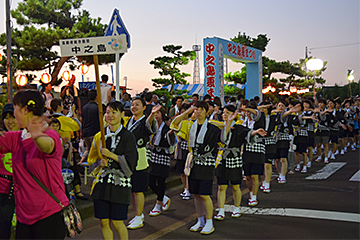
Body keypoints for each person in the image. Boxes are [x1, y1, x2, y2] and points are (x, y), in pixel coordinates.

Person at [0, 90, 68, 239]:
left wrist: (37, 135)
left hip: (48, 214)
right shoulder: (17, 137)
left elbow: (47, 146)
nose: (14, 113)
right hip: (24, 217)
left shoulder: (50, 135)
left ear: (25, 109)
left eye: (15, 108)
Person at [88, 101, 138, 240]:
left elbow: (131, 165)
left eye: (114, 112)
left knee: (117, 222)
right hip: (102, 183)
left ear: (122, 114)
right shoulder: (100, 136)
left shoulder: (128, 136)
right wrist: (99, 162)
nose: (110, 115)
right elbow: (91, 160)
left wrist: (112, 156)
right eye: (108, 112)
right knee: (103, 222)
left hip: (119, 184)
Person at [171, 101, 222, 235]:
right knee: (196, 195)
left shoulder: (212, 128)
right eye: (196, 109)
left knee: (205, 195)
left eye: (201, 109)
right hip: (193, 163)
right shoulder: (189, 125)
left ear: (206, 112)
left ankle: (209, 221)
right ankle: (200, 220)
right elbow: (174, 124)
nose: (198, 112)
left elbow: (223, 138)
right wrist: (187, 112)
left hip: (206, 164)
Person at [214, 105, 266, 220]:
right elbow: (222, 139)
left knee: (235, 186)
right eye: (224, 113)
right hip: (222, 158)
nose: (225, 115)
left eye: (227, 113)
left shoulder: (239, 128)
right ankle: (221, 210)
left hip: (235, 159)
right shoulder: (220, 127)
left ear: (234, 114)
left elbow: (248, 133)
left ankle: (236, 208)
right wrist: (227, 123)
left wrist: (256, 131)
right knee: (221, 187)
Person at [124, 97, 159, 230]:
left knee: (138, 189)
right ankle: (138, 215)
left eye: (137, 105)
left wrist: (151, 115)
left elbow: (149, 126)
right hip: (129, 158)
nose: (134, 107)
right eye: (132, 105)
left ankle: (139, 216)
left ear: (144, 107)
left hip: (140, 158)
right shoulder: (130, 121)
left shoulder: (145, 120)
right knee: (133, 189)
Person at [148, 107, 176, 216]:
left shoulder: (166, 128)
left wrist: (170, 134)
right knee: (150, 181)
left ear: (162, 114)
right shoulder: (153, 126)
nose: (156, 115)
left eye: (158, 113)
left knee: (160, 182)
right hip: (153, 156)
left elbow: (171, 142)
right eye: (155, 113)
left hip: (163, 156)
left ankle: (158, 204)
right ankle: (163, 197)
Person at [0, 104, 20, 239]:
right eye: (6, 118)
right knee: (3, 228)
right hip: (3, 191)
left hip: (23, 191)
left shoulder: (29, 138)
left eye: (13, 117)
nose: (10, 121)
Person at [173, 103, 194, 200]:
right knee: (182, 171)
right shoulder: (180, 122)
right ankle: (185, 189)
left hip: (188, 148)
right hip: (180, 147)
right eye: (182, 112)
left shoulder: (192, 123)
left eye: (185, 113)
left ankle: (188, 189)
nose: (183, 115)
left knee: (187, 170)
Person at [79, 90, 100, 163]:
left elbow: (81, 120)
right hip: (94, 132)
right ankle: (92, 166)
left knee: (88, 149)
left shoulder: (84, 107)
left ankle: (81, 162)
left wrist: (81, 132)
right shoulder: (98, 108)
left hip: (85, 132)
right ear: (97, 97)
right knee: (95, 151)